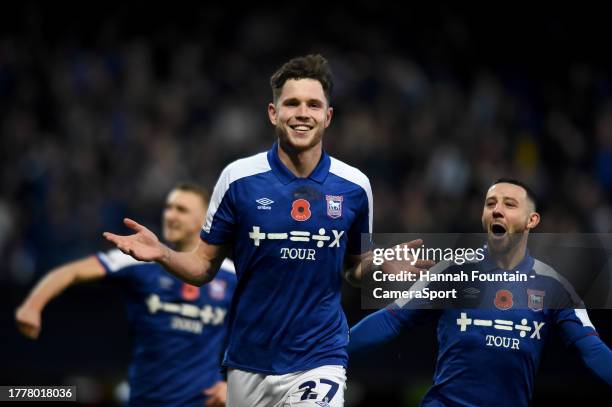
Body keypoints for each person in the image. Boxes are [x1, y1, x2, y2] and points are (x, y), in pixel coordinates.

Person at [103, 54, 425, 407]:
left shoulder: (354, 186)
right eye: (292, 103)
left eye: (314, 105)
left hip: (319, 358)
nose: (303, 113)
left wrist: (378, 266)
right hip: (248, 362)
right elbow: (203, 267)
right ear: (274, 113)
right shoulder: (238, 179)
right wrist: (163, 253)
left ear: (327, 116)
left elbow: (353, 269)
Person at [348, 179, 612, 406]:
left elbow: (591, 349)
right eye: (490, 204)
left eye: (509, 204)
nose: (497, 210)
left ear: (532, 220)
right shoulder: (452, 272)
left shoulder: (555, 287)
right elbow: (391, 320)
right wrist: (327, 351)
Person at [16, 183, 236, 407]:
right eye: (168, 207)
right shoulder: (139, 258)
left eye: (181, 209)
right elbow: (70, 272)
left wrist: (234, 384)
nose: (170, 215)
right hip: (145, 399)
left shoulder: (231, 276)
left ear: (206, 219)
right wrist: (32, 306)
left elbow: (263, 331)